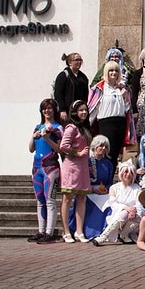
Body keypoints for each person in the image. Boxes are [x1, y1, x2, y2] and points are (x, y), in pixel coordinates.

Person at [88, 60, 135, 174]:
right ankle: (101, 179)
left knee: (115, 154)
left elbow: (127, 109)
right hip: (105, 124)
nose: (114, 73)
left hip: (120, 123)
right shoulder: (99, 88)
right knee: (104, 152)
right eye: (111, 70)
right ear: (106, 72)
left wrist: (125, 97)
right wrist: (87, 127)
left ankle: (109, 180)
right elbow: (93, 108)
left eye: (116, 71)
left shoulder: (122, 89)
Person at [27, 98, 63, 244]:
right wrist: (33, 136)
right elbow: (30, 149)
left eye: (49, 108)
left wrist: (47, 138)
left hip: (51, 168)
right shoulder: (37, 127)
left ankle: (49, 232)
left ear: (54, 110)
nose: (47, 111)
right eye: (44, 109)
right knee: (40, 201)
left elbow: (60, 149)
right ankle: (41, 231)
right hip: (37, 168)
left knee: (50, 200)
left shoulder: (57, 128)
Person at [69, 134, 114, 240]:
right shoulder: (87, 161)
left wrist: (105, 189)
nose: (103, 148)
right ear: (95, 146)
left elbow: (110, 182)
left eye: (106, 147)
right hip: (88, 191)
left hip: (103, 193)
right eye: (101, 145)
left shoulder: (108, 164)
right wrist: (93, 188)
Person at [59, 100, 92, 243]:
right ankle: (66, 231)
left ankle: (79, 231)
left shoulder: (85, 128)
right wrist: (77, 153)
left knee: (82, 198)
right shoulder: (71, 127)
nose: (83, 112)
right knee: (68, 198)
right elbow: (63, 146)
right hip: (72, 166)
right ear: (75, 112)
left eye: (85, 110)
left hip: (83, 167)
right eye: (80, 110)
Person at [92, 160, 143, 246]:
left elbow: (139, 203)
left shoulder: (138, 188)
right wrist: (127, 208)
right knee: (124, 213)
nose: (128, 174)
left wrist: (133, 210)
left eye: (131, 172)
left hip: (134, 215)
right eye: (125, 172)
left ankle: (124, 234)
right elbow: (113, 203)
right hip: (119, 214)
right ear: (121, 173)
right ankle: (103, 237)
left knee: (139, 216)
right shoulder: (114, 188)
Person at [53, 53, 89, 123]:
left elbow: (86, 95)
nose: (79, 62)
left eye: (80, 60)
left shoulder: (83, 77)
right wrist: (62, 110)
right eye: (76, 60)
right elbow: (58, 94)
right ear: (70, 62)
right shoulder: (63, 76)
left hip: (80, 113)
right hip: (67, 112)